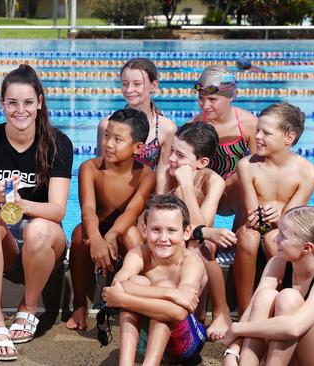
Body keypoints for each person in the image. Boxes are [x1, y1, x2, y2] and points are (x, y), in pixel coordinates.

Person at [0, 64, 73, 361]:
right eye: (12, 103)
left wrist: (19, 205)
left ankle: (27, 307)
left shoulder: (58, 143)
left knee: (36, 227)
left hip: (43, 238)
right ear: (2, 104)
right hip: (5, 239)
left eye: (28, 102)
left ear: (39, 102)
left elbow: (57, 210)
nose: (20, 110)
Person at [223, 206, 314, 366]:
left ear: (307, 247)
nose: (274, 240)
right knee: (265, 296)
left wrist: (237, 329)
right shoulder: (278, 263)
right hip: (292, 354)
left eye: (283, 236)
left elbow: (294, 327)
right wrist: (232, 351)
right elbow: (253, 309)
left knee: (288, 298)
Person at [66, 108, 156, 331]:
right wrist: (97, 238)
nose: (108, 144)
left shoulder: (146, 175)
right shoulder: (90, 168)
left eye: (118, 139)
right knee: (79, 233)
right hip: (95, 231)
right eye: (107, 136)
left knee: (132, 233)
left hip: (124, 238)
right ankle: (79, 304)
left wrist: (113, 235)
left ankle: (141, 304)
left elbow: (132, 212)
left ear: (138, 147)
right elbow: (87, 209)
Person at [234, 103, 314, 315]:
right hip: (254, 227)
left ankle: (278, 309)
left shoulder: (308, 173)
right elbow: (253, 216)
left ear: (289, 138)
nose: (258, 137)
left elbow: (292, 222)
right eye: (257, 131)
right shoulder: (247, 166)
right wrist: (270, 213)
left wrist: (281, 209)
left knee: (275, 240)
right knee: (248, 236)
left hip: (285, 231)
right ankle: (245, 311)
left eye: (266, 133)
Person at [103, 194, 207, 366]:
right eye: (156, 230)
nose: (163, 238)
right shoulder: (139, 254)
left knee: (160, 284)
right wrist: (169, 293)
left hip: (185, 344)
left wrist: (123, 299)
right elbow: (117, 285)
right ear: (144, 230)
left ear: (186, 232)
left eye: (172, 230)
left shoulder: (191, 262)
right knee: (139, 281)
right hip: (145, 342)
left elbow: (178, 313)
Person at [156, 122, 235, 340]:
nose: (172, 159)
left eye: (180, 155)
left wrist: (187, 187)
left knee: (204, 247)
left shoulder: (214, 181)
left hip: (196, 245)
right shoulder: (165, 173)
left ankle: (221, 311)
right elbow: (157, 213)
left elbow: (202, 228)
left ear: (202, 162)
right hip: (168, 238)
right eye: (172, 150)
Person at [189, 65, 258, 227]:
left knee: (245, 175)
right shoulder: (195, 124)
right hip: (205, 192)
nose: (205, 106)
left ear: (230, 97)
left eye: (212, 99)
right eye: (201, 98)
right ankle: (204, 235)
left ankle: (238, 234)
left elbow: (260, 172)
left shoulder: (249, 124)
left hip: (234, 194)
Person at [97, 58, 177, 171]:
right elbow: (101, 169)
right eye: (125, 84)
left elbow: (162, 176)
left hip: (148, 188)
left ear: (153, 85)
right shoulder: (107, 124)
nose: (129, 90)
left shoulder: (167, 128)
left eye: (137, 84)